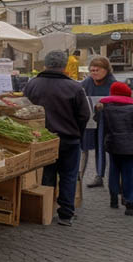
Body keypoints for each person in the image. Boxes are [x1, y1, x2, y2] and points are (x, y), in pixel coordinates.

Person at [24, 50, 91, 226]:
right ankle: (66, 214)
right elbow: (84, 115)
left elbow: (24, 111)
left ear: (45, 64)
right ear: (64, 66)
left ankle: (45, 211)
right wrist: (78, 131)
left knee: (47, 174)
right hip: (69, 139)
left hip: (42, 138)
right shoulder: (75, 87)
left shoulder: (32, 84)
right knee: (68, 176)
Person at [99, 82, 133, 216]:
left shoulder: (106, 108)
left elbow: (99, 123)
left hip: (113, 146)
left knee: (114, 172)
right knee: (130, 175)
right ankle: (130, 204)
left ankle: (113, 199)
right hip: (132, 148)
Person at [80, 56, 116, 188]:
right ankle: (80, 177)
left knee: (102, 147)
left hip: (107, 120)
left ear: (106, 70)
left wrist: (105, 105)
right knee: (86, 146)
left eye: (97, 70)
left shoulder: (112, 83)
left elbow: (119, 100)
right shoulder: (87, 82)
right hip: (90, 119)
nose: (94, 73)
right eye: (92, 70)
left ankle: (102, 176)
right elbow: (78, 92)